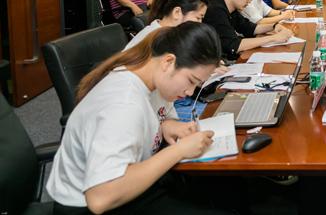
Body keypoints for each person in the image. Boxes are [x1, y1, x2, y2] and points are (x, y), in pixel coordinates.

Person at [46, 22, 232, 215]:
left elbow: (154, 114)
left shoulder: (153, 79)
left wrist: (167, 125)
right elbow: (100, 198)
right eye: (191, 81)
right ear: (168, 62)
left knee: (226, 191)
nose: (190, 92)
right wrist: (179, 150)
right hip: (92, 204)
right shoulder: (123, 104)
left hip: (133, 177)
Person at [204, 0, 294, 59]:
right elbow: (234, 46)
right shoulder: (216, 10)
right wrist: (274, 38)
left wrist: (274, 26)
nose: (250, 0)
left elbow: (248, 27)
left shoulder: (231, 8)